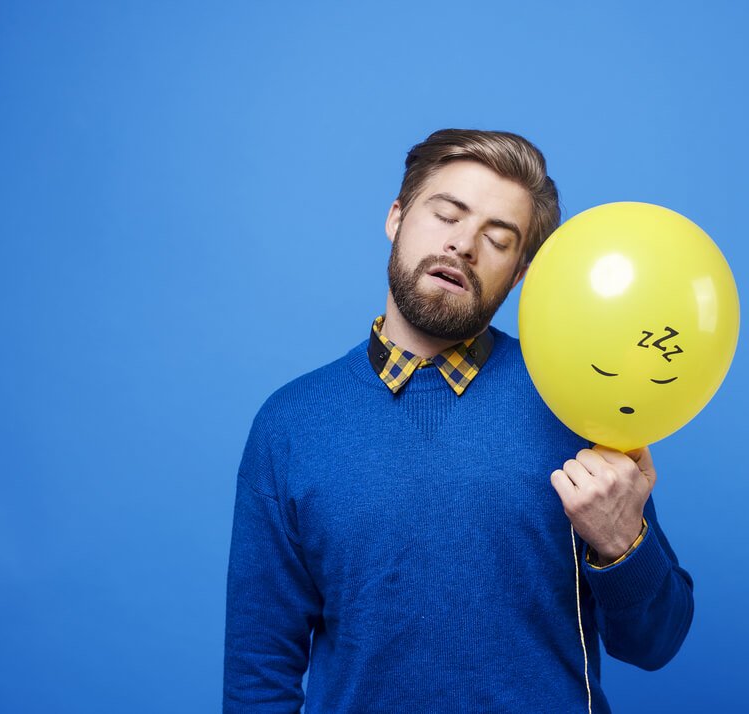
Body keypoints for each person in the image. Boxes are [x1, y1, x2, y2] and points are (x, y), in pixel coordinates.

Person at [223, 129, 694, 713]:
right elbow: (258, 673)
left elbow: (657, 643)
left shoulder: (576, 400)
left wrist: (624, 542)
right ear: (396, 218)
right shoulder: (290, 425)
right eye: (447, 215)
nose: (464, 245)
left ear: (521, 274)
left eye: (498, 240)